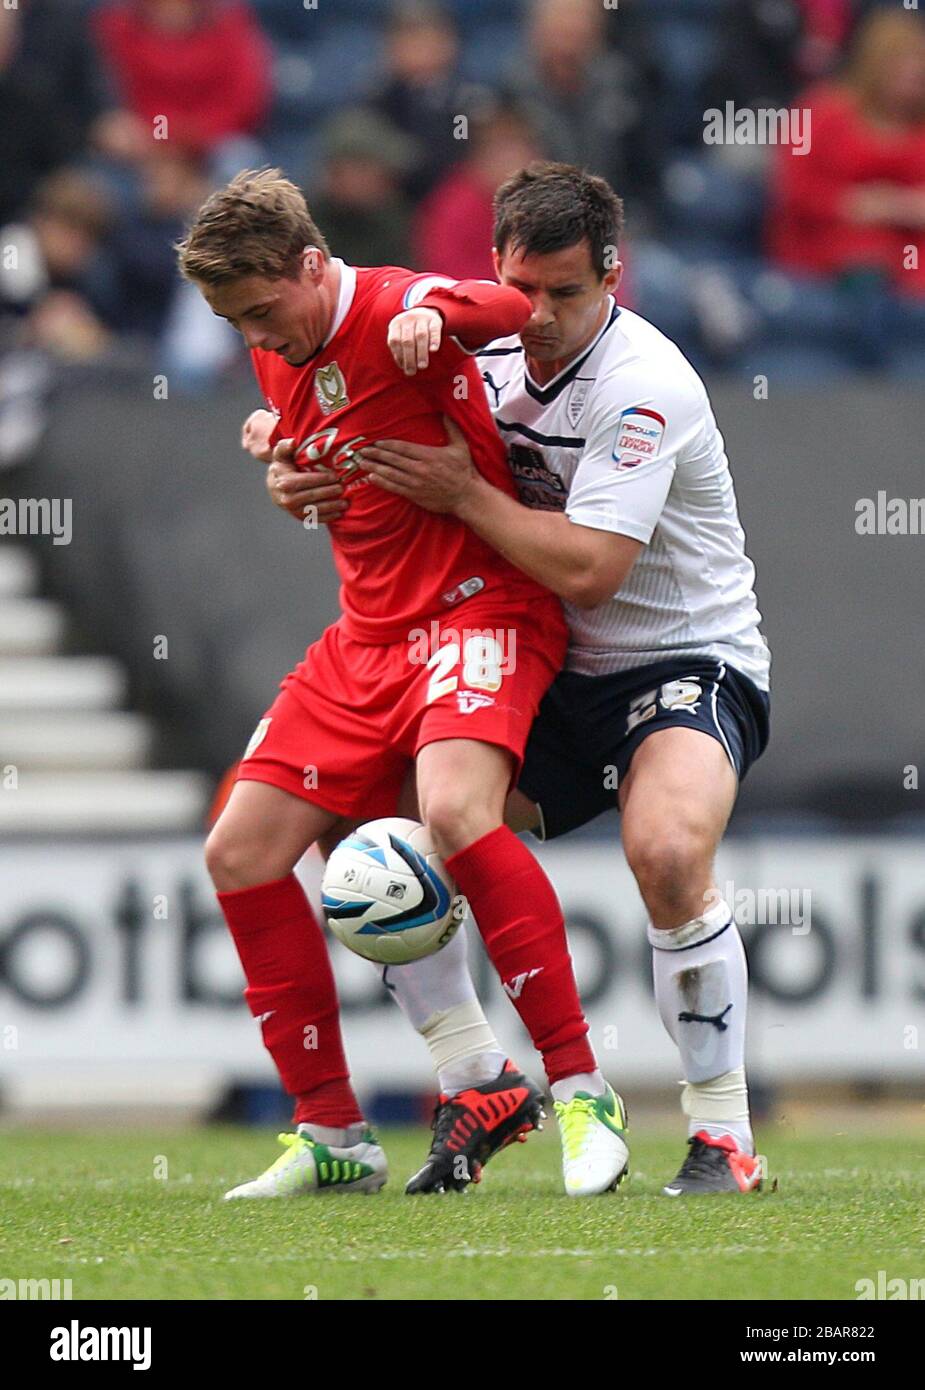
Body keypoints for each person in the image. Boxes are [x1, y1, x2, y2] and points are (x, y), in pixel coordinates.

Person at [267, 162, 771, 1197]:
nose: (536, 316)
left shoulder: (646, 384)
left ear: (613, 278)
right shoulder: (472, 345)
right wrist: (289, 462)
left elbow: (591, 566)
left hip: (678, 657)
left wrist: (462, 490)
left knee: (667, 850)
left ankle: (721, 1135)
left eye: (566, 294)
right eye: (523, 289)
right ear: (494, 268)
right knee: (361, 829)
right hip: (539, 655)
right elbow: (351, 420)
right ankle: (480, 1074)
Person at [176, 169, 628, 1201]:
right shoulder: (275, 341)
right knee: (239, 850)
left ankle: (581, 1089)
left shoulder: (392, 308)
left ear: (309, 264)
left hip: (478, 608)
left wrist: (434, 306)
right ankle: (334, 1128)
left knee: (458, 815)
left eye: (258, 309)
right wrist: (279, 460)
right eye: (231, 319)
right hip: (366, 637)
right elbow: (312, 442)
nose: (255, 333)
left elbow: (506, 304)